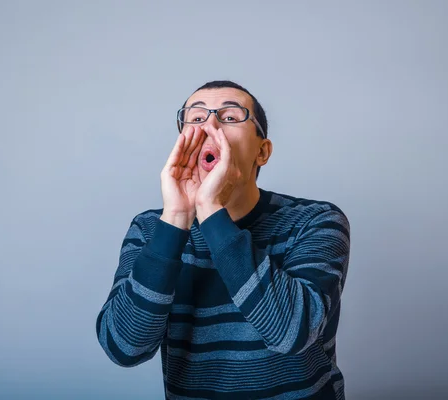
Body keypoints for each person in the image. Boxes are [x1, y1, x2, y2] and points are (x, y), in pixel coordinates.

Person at [96, 80, 351, 399]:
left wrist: (211, 210)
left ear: (262, 151)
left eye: (230, 117)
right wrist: (176, 218)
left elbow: (289, 333)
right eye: (196, 118)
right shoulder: (151, 228)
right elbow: (124, 347)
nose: (210, 125)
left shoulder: (315, 221)